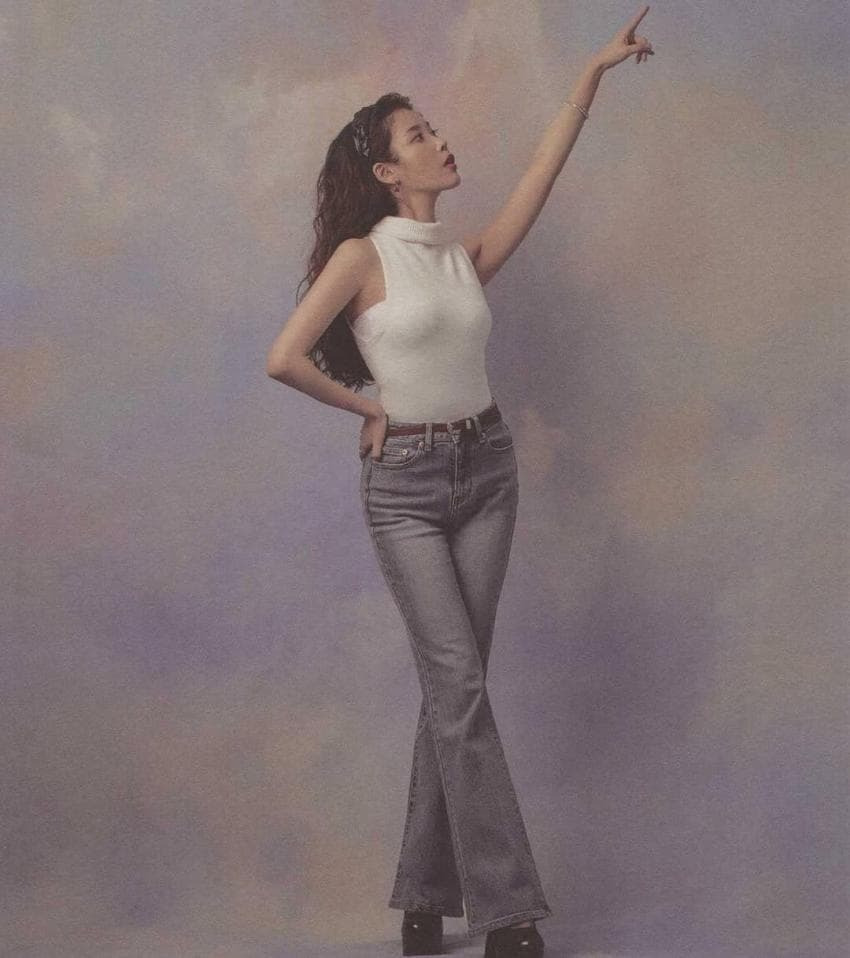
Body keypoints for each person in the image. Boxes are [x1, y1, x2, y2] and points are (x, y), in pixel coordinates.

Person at [266, 9, 654, 956]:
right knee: (460, 691)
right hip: (405, 491)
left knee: (457, 691)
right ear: (387, 172)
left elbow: (541, 175)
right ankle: (509, 912)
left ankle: (423, 895)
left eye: (433, 127)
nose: (439, 140)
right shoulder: (362, 258)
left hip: (488, 472)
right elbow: (284, 357)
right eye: (418, 134)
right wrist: (366, 411)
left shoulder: (463, 256)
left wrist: (592, 74)